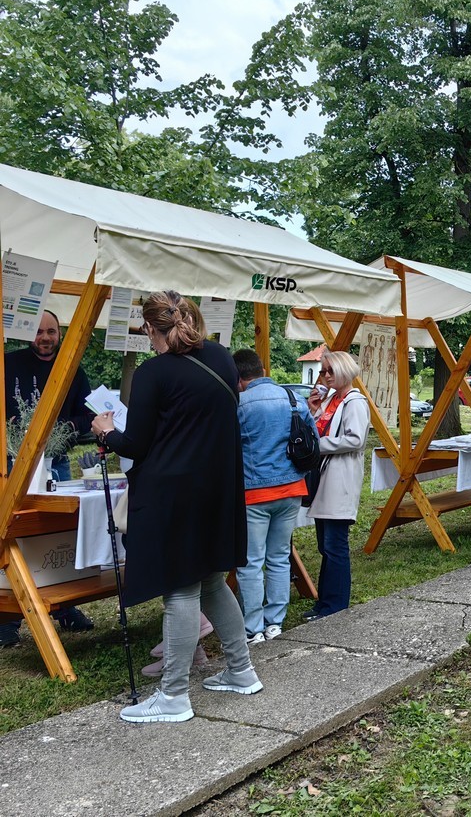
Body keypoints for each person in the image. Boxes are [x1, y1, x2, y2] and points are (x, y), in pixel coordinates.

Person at [91, 291, 261, 723]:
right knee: (212, 582)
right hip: (219, 487)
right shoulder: (222, 358)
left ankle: (172, 696)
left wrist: (107, 431)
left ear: (149, 328)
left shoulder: (153, 374)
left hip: (176, 494)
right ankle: (241, 671)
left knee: (181, 589)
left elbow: (138, 444)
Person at [1, 309, 96, 645]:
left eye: (51, 331)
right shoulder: (8, 363)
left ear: (60, 333)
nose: (44, 337)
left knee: (58, 535)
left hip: (56, 462)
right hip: (13, 464)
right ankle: (8, 620)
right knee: (16, 534)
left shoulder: (71, 366)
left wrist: (70, 427)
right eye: (39, 331)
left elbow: (88, 412)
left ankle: (64, 609)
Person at [232, 349, 316, 643]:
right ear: (262, 368)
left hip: (254, 493)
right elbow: (312, 440)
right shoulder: (294, 399)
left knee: (251, 562)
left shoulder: (239, 404)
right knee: (280, 557)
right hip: (292, 489)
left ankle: (252, 628)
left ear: (238, 377)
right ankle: (275, 622)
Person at [303, 351, 369, 619]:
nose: (325, 375)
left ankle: (335, 605)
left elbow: (355, 439)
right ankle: (325, 602)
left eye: (330, 370)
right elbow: (317, 429)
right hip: (324, 479)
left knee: (334, 544)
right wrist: (312, 411)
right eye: (323, 371)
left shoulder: (354, 402)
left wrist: (318, 446)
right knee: (325, 545)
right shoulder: (331, 400)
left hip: (339, 480)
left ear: (343, 371)